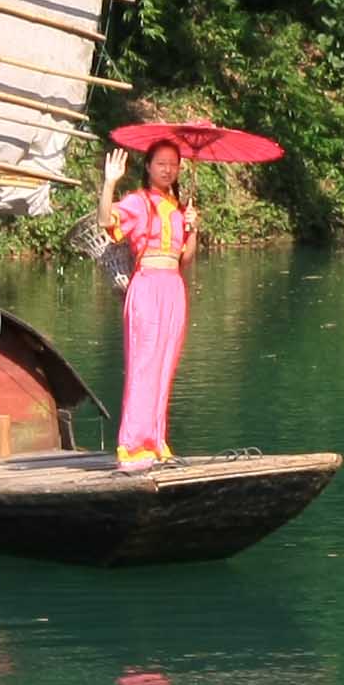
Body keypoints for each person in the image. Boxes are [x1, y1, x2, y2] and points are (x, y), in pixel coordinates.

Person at [103, 145, 199, 467]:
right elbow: (107, 221)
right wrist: (109, 183)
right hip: (146, 285)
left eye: (173, 164)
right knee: (143, 363)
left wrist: (193, 227)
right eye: (161, 163)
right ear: (148, 166)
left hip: (173, 286)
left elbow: (185, 258)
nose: (168, 169)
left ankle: (157, 442)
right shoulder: (138, 202)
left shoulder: (177, 207)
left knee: (165, 365)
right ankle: (131, 446)